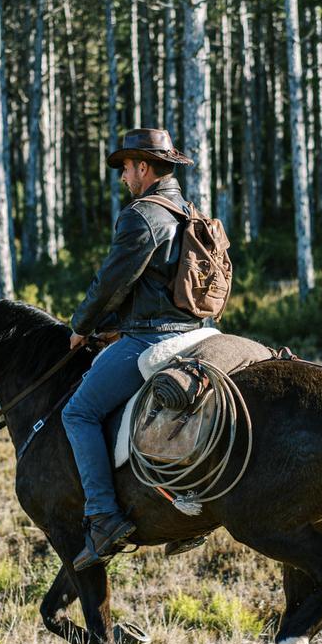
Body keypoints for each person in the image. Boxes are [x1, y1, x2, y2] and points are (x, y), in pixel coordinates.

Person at [62, 128, 201, 571]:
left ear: (143, 166)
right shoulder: (186, 211)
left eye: (125, 167)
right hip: (198, 332)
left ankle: (103, 516)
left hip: (155, 337)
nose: (123, 177)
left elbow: (112, 281)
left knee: (78, 412)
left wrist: (81, 326)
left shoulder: (143, 215)